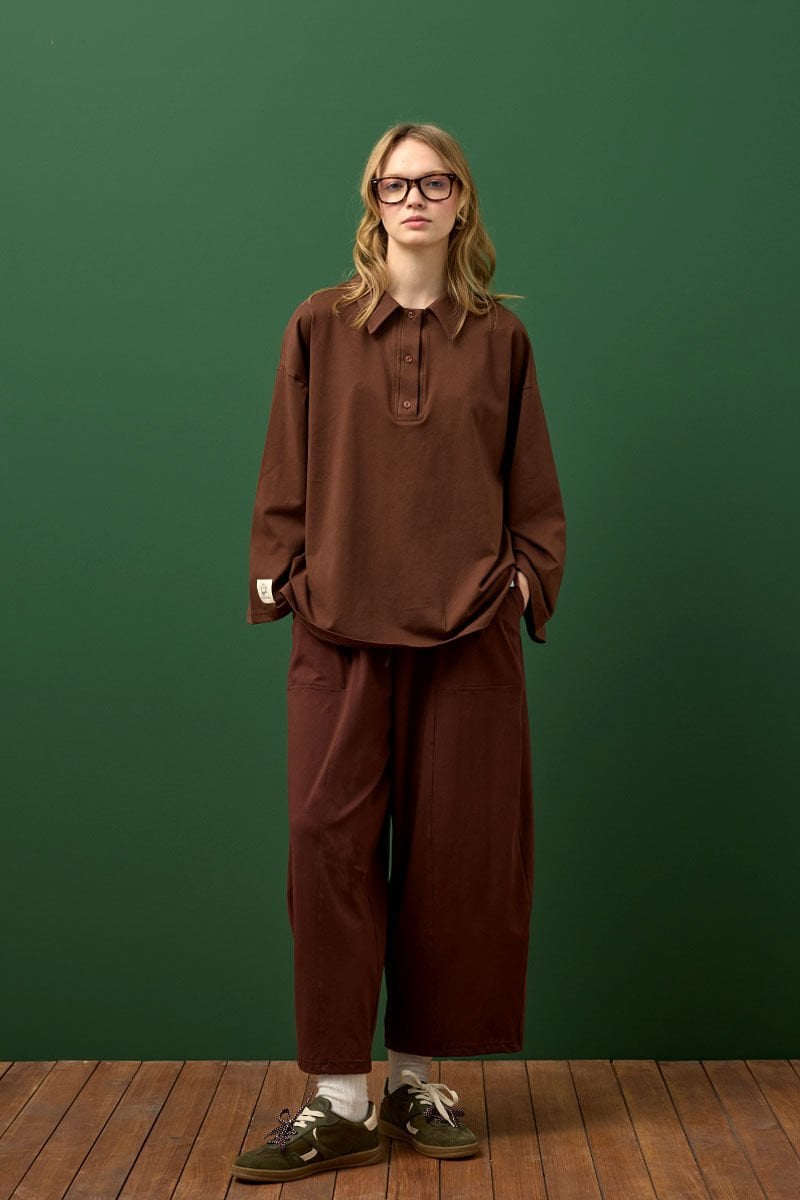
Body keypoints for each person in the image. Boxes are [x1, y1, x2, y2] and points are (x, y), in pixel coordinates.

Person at [232, 121, 567, 1184]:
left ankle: (418, 1081)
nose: (413, 198)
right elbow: (283, 470)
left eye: (433, 183)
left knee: (454, 857)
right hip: (338, 630)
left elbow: (533, 491)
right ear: (371, 201)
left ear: (461, 202)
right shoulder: (318, 325)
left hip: (469, 635)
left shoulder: (500, 340)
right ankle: (338, 1100)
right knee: (324, 845)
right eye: (394, 183)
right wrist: (284, 578)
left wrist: (524, 582)